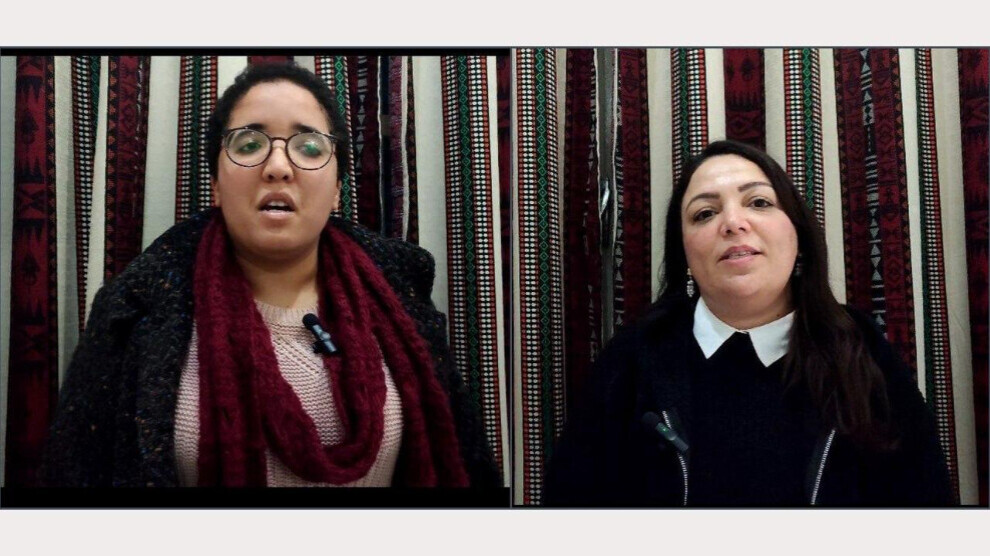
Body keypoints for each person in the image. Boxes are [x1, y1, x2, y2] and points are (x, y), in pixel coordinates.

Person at [41, 62, 499, 489]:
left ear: (337, 189)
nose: (278, 167)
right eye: (249, 144)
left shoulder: (402, 297)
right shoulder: (134, 310)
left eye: (310, 147)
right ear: (216, 185)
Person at [544, 140, 952, 506]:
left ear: (798, 234)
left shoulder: (864, 351)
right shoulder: (632, 360)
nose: (733, 223)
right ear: (684, 253)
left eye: (758, 202)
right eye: (705, 213)